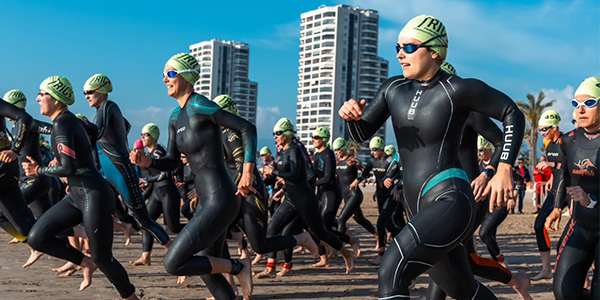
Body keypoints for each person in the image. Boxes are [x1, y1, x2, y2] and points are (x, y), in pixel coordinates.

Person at [339, 15, 525, 299]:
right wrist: (351, 117)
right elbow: (361, 134)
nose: (401, 53)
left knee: (392, 269)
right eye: (398, 47)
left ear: (435, 51)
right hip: (415, 205)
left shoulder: (457, 89)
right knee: (463, 290)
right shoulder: (393, 89)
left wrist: (502, 168)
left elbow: (512, 113)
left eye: (410, 47)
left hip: (449, 199)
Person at [129, 53, 255, 300]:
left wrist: (247, 170)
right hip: (207, 201)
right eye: (164, 75)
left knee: (173, 262)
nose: (166, 79)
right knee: (208, 267)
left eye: (171, 73)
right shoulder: (175, 118)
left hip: (222, 197)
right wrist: (149, 162)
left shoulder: (200, 105)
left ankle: (239, 266)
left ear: (187, 77)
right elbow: (173, 161)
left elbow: (247, 127)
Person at [23, 76, 138, 300]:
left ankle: (131, 298)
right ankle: (84, 262)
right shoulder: (72, 121)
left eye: (41, 93)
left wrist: (39, 171)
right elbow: (94, 131)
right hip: (76, 194)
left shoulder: (62, 124)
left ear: (56, 99)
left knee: (104, 258)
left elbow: (68, 167)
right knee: (37, 237)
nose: (37, 98)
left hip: (94, 195)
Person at [213, 94, 317, 262]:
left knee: (260, 245)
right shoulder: (222, 135)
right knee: (218, 232)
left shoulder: (233, 134)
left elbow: (242, 167)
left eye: (217, 113)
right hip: (236, 192)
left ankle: (302, 239)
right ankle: (235, 272)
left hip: (251, 194)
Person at [84, 74, 170, 247]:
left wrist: (72, 125)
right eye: (84, 93)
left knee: (144, 220)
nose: (86, 96)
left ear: (102, 90)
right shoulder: (101, 112)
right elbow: (126, 126)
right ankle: (93, 256)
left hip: (121, 172)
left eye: (89, 92)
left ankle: (172, 249)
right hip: (107, 172)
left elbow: (97, 132)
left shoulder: (108, 106)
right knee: (93, 212)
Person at [261, 118, 354, 275]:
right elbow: (273, 177)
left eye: (278, 133)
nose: (275, 136)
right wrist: (261, 181)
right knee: (273, 229)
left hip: (305, 199)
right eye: (274, 134)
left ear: (288, 134)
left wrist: (275, 172)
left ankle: (346, 252)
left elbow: (295, 174)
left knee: (320, 232)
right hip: (291, 199)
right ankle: (272, 267)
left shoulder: (295, 150)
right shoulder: (282, 152)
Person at [546, 76, 599, 300]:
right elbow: (564, 175)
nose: (581, 109)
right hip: (581, 224)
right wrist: (557, 208)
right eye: (576, 104)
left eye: (589, 103)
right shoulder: (568, 140)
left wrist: (592, 199)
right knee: (564, 292)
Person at [130, 123, 184, 266]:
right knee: (146, 222)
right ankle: (145, 256)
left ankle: (198, 232)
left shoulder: (158, 152)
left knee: (174, 227)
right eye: (142, 135)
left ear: (154, 136)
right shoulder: (147, 154)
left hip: (168, 193)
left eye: (146, 134)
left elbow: (166, 174)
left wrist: (147, 180)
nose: (143, 137)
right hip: (156, 193)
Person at [311, 126, 358, 267]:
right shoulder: (317, 155)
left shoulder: (328, 154)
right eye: (313, 137)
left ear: (324, 140)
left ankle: (350, 240)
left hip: (331, 194)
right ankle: (323, 259)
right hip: (321, 194)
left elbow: (328, 177)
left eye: (316, 137)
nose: (313, 140)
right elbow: (315, 175)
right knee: (317, 227)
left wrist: (313, 183)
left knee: (323, 228)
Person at [3, 90, 54, 218]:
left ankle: (23, 235)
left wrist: (58, 156)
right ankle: (80, 233)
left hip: (35, 180)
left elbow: (56, 130)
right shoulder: (15, 128)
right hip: (27, 180)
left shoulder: (30, 123)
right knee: (47, 225)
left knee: (6, 211)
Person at [532, 110, 567, 281]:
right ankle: (546, 269)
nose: (542, 133)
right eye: (540, 130)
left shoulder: (566, 141)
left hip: (569, 190)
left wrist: (550, 164)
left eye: (544, 129)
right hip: (555, 190)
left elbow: (570, 166)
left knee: (577, 231)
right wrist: (552, 175)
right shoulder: (548, 144)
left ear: (555, 127)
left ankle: (585, 278)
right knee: (539, 225)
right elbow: (555, 168)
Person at [359, 136, 400, 264]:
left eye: (374, 149)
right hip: (381, 196)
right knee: (389, 225)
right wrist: (364, 179)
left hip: (391, 196)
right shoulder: (372, 160)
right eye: (371, 150)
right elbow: (365, 172)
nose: (372, 152)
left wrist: (397, 186)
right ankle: (405, 239)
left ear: (381, 148)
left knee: (380, 223)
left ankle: (381, 255)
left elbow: (400, 174)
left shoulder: (390, 160)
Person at [333, 137, 376, 240]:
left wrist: (357, 180)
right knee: (359, 219)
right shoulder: (338, 162)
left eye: (338, 149)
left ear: (343, 148)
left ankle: (339, 245)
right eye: (334, 150)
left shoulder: (352, 160)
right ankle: (377, 234)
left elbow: (365, 173)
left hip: (354, 195)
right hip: (345, 196)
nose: (336, 152)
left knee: (341, 220)